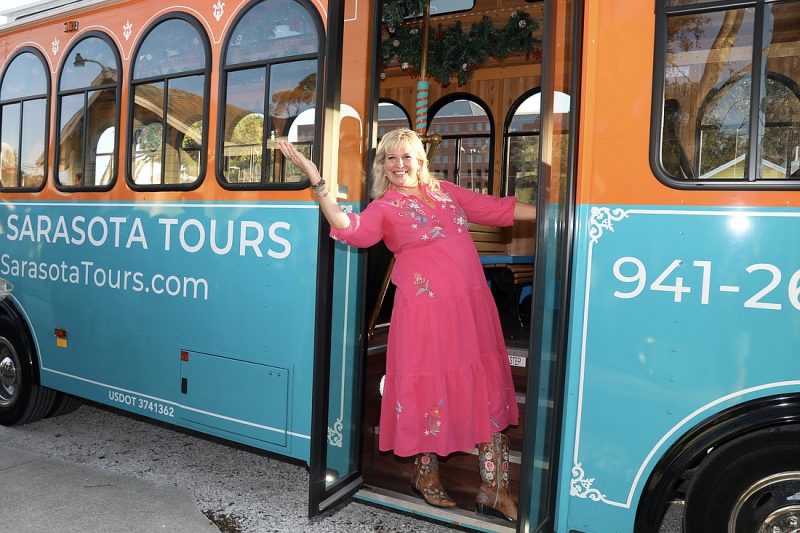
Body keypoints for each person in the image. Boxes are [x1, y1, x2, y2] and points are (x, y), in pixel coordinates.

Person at [278, 128, 536, 522]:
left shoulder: (447, 191)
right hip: (424, 313)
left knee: (482, 384)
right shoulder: (384, 207)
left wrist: (563, 210)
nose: (399, 165)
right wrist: (317, 181)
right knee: (429, 384)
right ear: (383, 166)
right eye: (390, 158)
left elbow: (497, 209)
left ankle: (494, 489)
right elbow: (349, 229)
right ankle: (425, 475)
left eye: (406, 157)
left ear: (421, 160)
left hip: (471, 308)